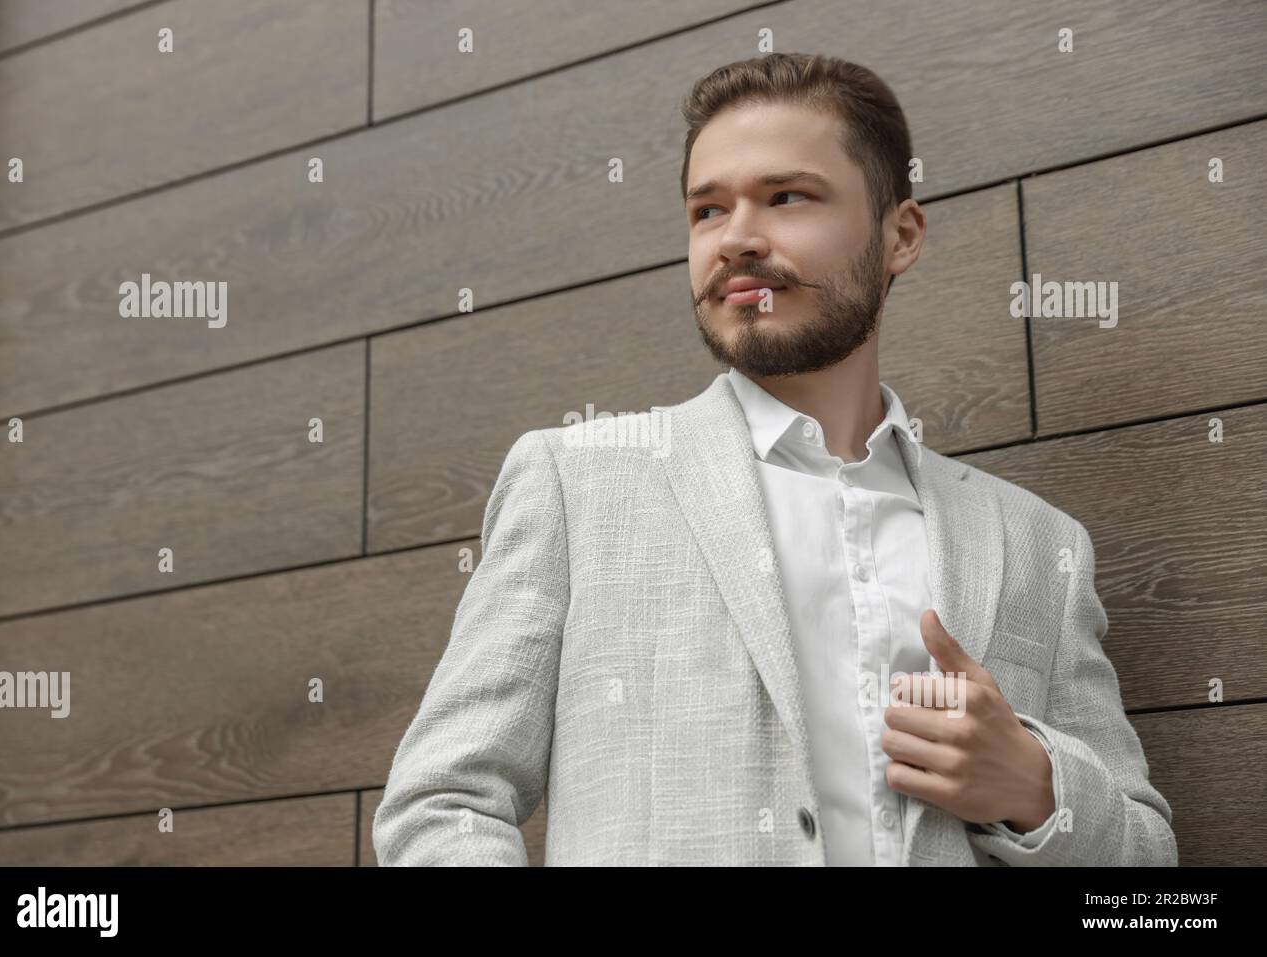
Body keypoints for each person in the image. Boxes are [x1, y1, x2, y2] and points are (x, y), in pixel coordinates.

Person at [373, 52, 1177, 866]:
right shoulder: (576, 485)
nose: (737, 239)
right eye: (707, 210)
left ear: (900, 236)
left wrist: (1035, 788)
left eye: (786, 197)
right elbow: (444, 802)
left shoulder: (1039, 543)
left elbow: (1148, 858)